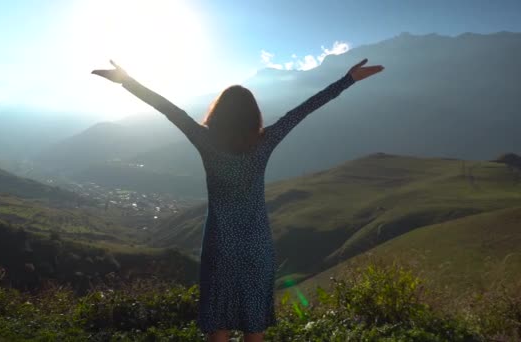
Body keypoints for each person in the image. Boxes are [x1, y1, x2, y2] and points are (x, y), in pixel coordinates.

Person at [92, 58, 384, 342]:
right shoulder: (265, 141)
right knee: (254, 322)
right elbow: (304, 109)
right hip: (257, 244)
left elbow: (168, 109)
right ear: (252, 115)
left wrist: (126, 82)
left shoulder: (205, 140)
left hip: (220, 244)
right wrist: (348, 80)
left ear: (218, 112)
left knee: (218, 322)